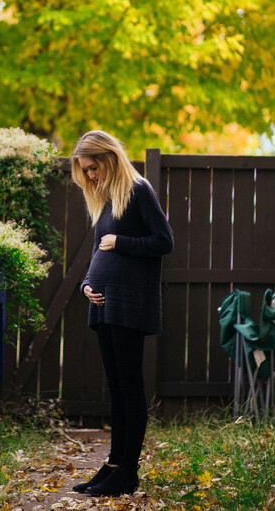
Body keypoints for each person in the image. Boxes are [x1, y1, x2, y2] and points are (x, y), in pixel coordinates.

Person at [70, 130, 174, 497]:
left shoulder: (138, 190)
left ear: (109, 158)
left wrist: (123, 242)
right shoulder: (105, 199)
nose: (91, 176)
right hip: (105, 304)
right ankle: (113, 464)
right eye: (85, 171)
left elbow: (164, 241)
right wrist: (86, 284)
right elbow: (100, 250)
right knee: (115, 389)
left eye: (94, 168)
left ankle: (128, 471)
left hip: (130, 303)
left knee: (131, 389)